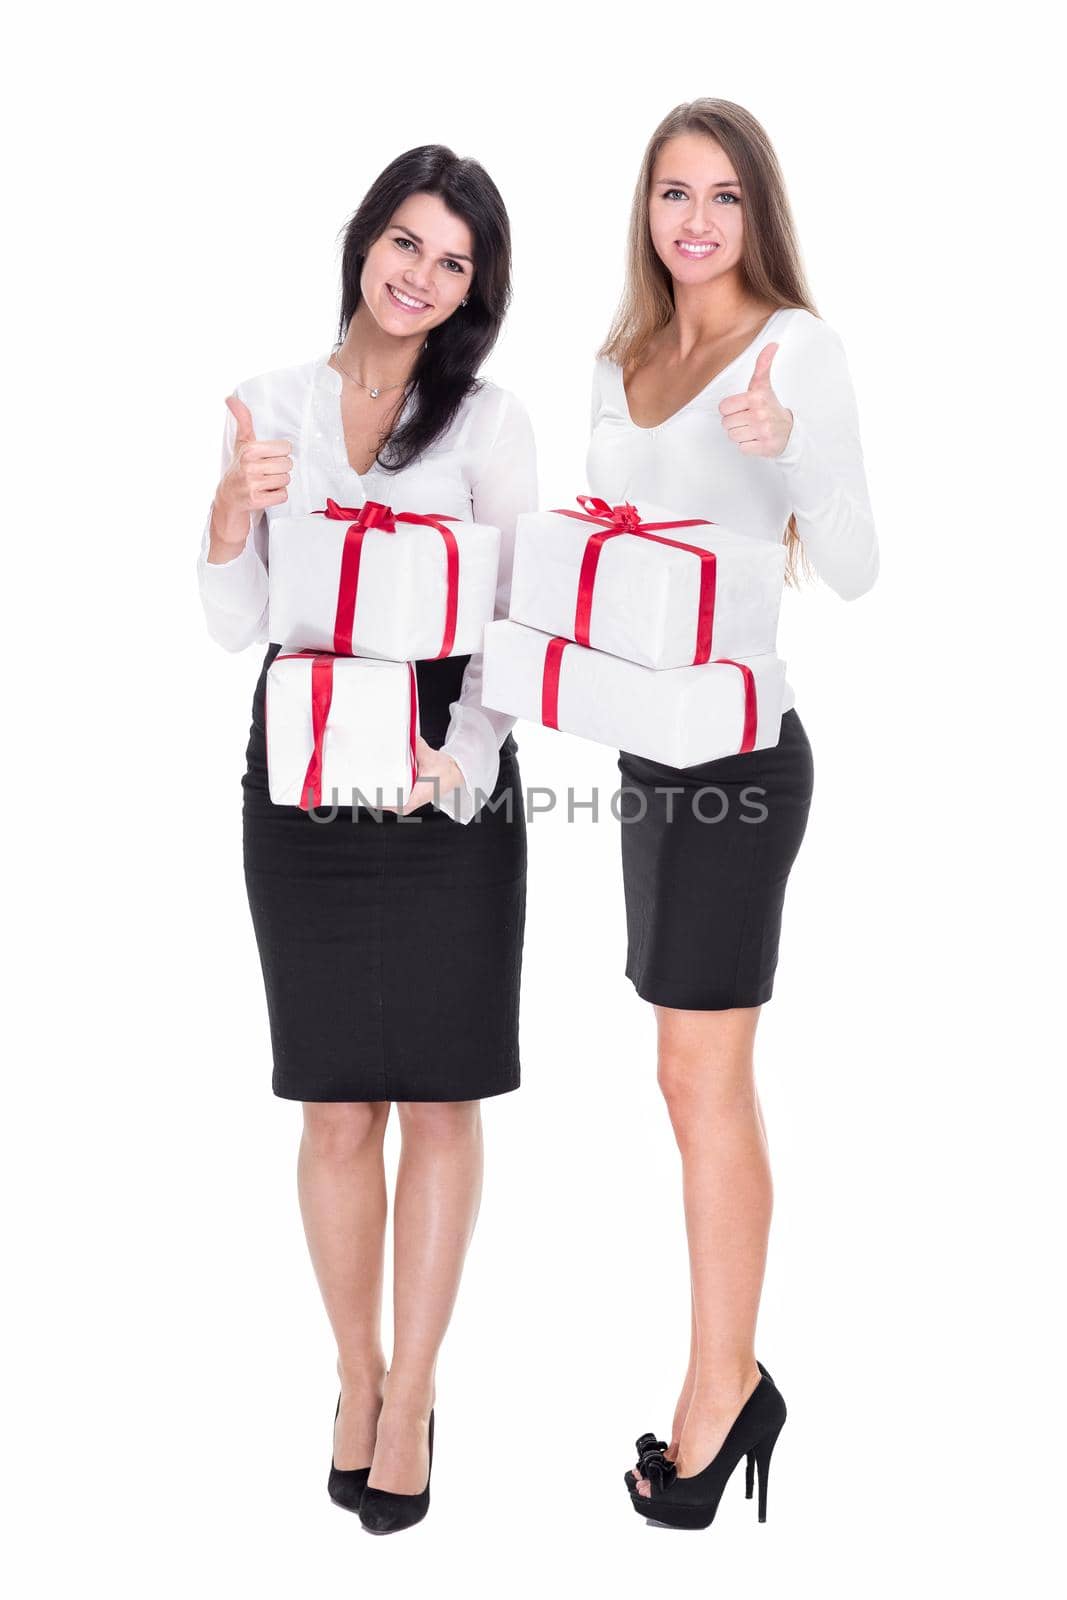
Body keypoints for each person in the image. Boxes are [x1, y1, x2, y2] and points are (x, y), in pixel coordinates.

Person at [196, 145, 537, 1535]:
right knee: (337, 1103)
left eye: (452, 261)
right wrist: (228, 514)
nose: (418, 274)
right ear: (364, 240)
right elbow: (238, 620)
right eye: (405, 241)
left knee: (441, 1099)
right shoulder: (270, 403)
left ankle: (417, 1398)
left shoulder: (489, 424)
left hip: (448, 777)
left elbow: (514, 625)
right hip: (301, 769)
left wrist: (454, 767)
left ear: (474, 289)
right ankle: (354, 1376)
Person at [586, 98, 879, 1529]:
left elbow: (861, 563)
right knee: (681, 1074)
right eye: (670, 195)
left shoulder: (794, 351)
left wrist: (788, 449)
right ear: (647, 213)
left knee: (707, 1078)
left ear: (757, 211)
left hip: (744, 763)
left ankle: (724, 1392)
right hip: (649, 758)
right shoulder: (624, 358)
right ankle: (731, 1375)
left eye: (721, 196)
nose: (694, 221)